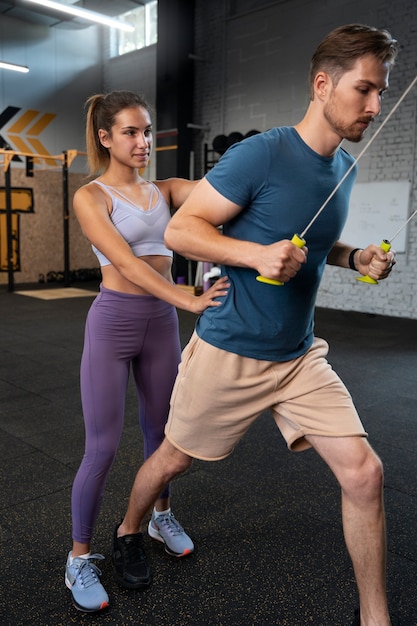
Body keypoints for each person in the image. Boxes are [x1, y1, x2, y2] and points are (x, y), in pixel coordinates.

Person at [116, 24, 398, 626]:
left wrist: (355, 258)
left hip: (298, 356)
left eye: (381, 93)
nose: (375, 107)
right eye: (365, 90)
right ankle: (127, 531)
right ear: (323, 85)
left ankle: (374, 617)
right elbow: (181, 231)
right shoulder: (260, 155)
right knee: (173, 460)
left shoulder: (342, 169)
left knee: (366, 473)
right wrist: (255, 254)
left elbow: (316, 245)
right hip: (229, 351)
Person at [64, 90, 229, 613]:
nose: (143, 142)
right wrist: (185, 297)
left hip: (159, 325)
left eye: (148, 131)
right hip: (114, 322)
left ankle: (159, 518)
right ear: (105, 137)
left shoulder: (168, 189)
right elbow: (129, 266)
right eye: (131, 132)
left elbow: (226, 194)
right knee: (103, 447)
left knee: (164, 434)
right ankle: (80, 557)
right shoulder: (91, 197)